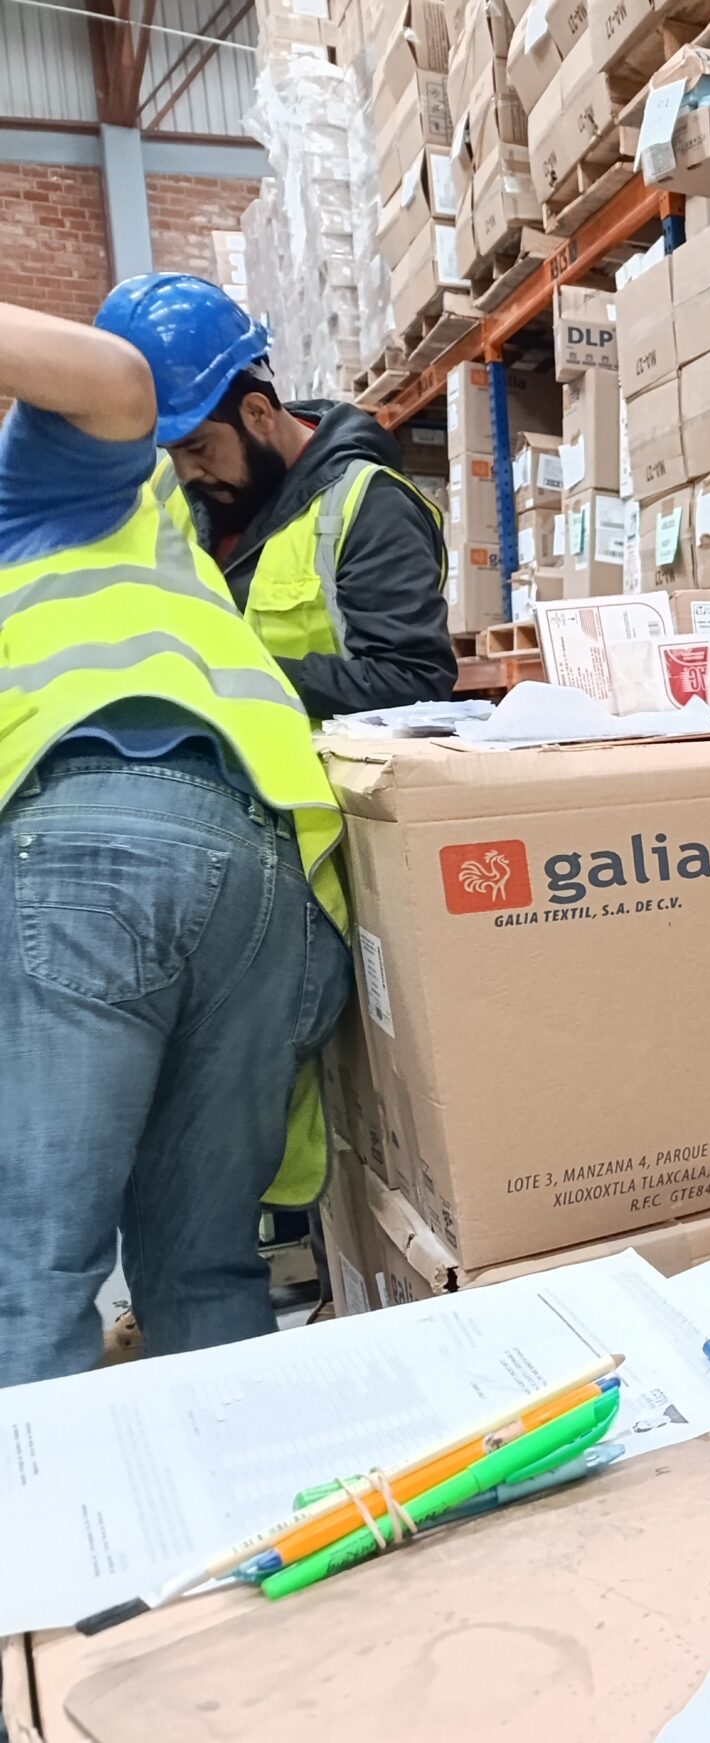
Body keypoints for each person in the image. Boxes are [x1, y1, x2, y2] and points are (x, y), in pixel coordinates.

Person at [0, 297, 350, 1388]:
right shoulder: (155, 520)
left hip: (102, 854)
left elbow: (116, 380)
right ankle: (229, 1503)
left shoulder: (40, 475)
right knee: (201, 1267)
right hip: (265, 868)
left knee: (33, 1273)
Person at [110, 273, 454, 719]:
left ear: (257, 413)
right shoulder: (166, 487)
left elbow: (413, 681)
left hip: (313, 764)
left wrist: (229, 677)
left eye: (197, 448)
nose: (186, 472)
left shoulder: (368, 507)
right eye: (170, 450)